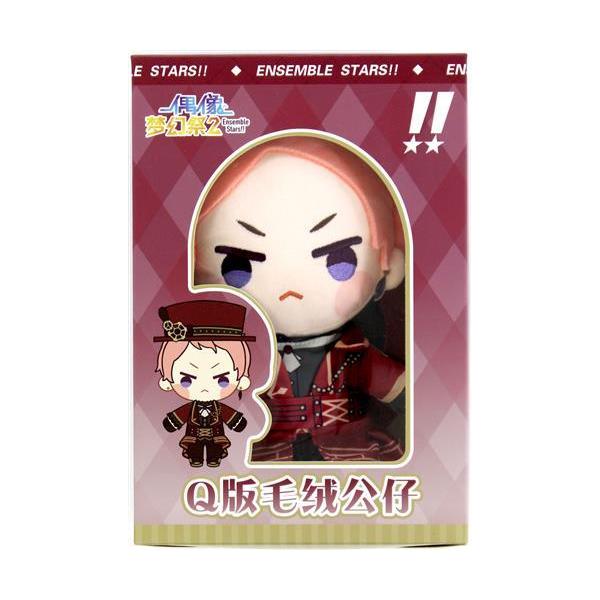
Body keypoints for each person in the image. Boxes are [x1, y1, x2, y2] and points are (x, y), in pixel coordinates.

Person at [193, 134, 407, 462]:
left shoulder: (355, 353)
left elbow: (405, 393)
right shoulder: (237, 358)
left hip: (347, 448)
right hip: (267, 453)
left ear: (387, 267)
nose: (290, 285)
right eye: (238, 266)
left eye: (339, 260)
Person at [154, 299, 255, 467]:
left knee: (215, 449)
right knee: (194, 450)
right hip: (193, 437)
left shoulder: (219, 408)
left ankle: (214, 458)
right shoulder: (190, 408)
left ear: (240, 378)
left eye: (222, 380)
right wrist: (171, 422)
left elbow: (231, 416)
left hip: (216, 436)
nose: (205, 388)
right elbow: (179, 416)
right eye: (186, 380)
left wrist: (237, 422)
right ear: (168, 379)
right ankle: (195, 458)